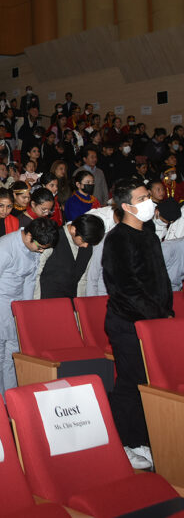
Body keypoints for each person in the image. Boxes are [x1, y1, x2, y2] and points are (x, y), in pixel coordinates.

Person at [103, 177, 175, 470]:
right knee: (131, 381)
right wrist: (156, 314)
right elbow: (125, 288)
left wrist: (166, 310)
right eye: (142, 198)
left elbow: (160, 278)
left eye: (148, 197)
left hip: (154, 321)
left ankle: (145, 438)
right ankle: (126, 442)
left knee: (152, 383)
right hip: (127, 322)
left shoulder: (149, 235)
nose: (149, 202)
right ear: (127, 207)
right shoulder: (117, 239)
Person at [0, 217, 59, 395]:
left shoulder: (34, 247)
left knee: (12, 357)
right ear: (29, 236)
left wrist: (24, 316)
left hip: (15, 307)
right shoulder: (3, 248)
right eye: (40, 247)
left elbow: (29, 282)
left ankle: (12, 401)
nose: (41, 251)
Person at [36, 214, 105, 299]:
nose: (86, 246)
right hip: (47, 299)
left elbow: (82, 280)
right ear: (73, 230)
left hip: (71, 301)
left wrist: (79, 303)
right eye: (83, 241)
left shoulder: (87, 244)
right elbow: (36, 274)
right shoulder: (53, 238)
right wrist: (37, 301)